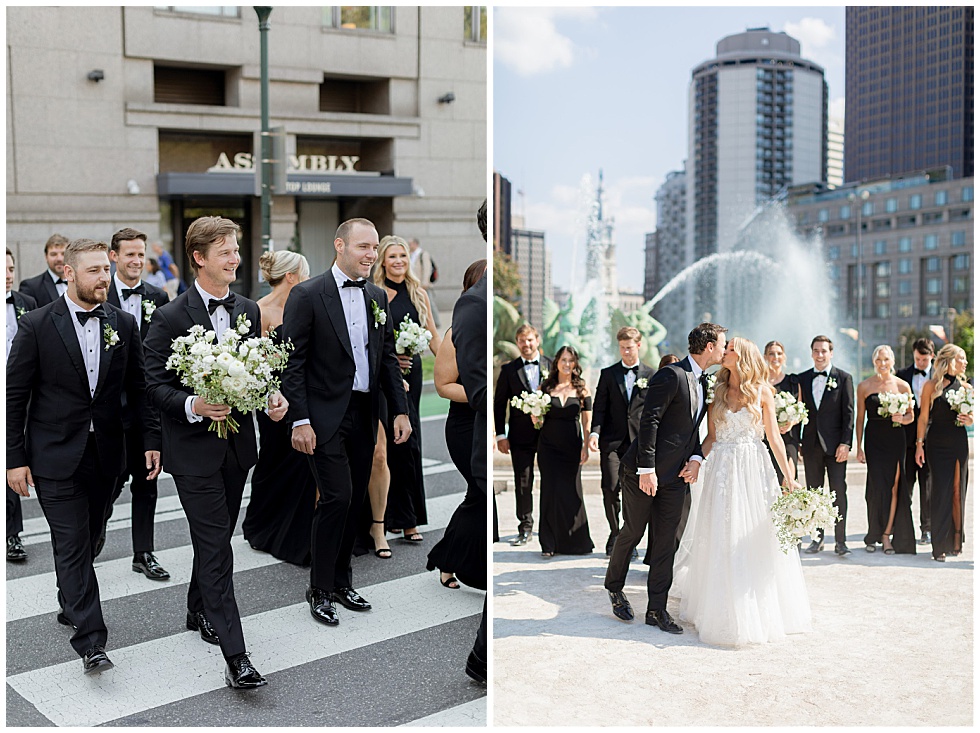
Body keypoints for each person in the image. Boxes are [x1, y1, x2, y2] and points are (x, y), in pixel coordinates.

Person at [145, 216, 287, 689]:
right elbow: (153, 385)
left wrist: (273, 395)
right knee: (216, 549)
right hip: (192, 454)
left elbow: (257, 371)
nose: (236, 259)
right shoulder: (168, 317)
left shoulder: (247, 308)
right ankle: (237, 655)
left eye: (236, 251)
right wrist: (193, 404)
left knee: (217, 540)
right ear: (200, 258)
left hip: (238, 449)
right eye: (225, 252)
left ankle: (195, 609)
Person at [7, 237, 159, 675]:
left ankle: (69, 596)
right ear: (69, 273)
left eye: (106, 270)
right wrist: (14, 459)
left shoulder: (124, 325)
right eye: (94, 271)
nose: (104, 278)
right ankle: (91, 640)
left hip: (108, 454)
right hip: (54, 455)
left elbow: (139, 389)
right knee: (72, 542)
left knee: (90, 538)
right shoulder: (37, 324)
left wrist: (150, 440)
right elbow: (14, 397)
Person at [281, 217, 410, 629]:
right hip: (321, 416)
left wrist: (401, 409)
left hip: (364, 411)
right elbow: (293, 362)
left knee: (353, 499)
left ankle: (341, 581)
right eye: (363, 247)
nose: (371, 255)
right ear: (340, 246)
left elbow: (386, 357)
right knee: (335, 497)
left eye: (374, 247)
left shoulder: (377, 295)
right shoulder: (306, 294)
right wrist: (300, 419)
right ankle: (319, 589)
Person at [671, 337, 811, 646]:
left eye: (730, 347)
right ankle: (720, 605)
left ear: (742, 355)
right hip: (721, 469)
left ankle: (753, 607)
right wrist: (695, 461)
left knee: (752, 534)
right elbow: (710, 438)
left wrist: (789, 479)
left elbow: (774, 438)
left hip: (752, 469)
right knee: (721, 532)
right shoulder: (717, 392)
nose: (725, 351)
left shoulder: (763, 392)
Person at [604, 322, 726, 632]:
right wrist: (647, 469)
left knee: (667, 543)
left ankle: (656, 610)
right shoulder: (671, 374)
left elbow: (691, 431)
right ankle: (615, 587)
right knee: (633, 532)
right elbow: (650, 420)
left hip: (677, 476)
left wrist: (697, 457)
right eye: (722, 344)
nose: (724, 350)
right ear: (709, 347)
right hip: (643, 473)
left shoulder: (704, 381)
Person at [99, 228, 172, 579]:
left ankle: (143, 553)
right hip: (110, 412)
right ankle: (91, 540)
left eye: (141, 254)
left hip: (148, 410)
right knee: (106, 486)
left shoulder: (158, 296)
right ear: (114, 256)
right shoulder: (98, 294)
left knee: (147, 483)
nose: (137, 260)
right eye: (129, 254)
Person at [241, 250, 315, 566]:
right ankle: (265, 524)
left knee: (305, 463)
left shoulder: (307, 305)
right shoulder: (260, 311)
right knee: (274, 458)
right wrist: (272, 394)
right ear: (291, 276)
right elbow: (254, 363)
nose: (309, 278)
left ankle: (300, 528)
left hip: (305, 394)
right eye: (305, 272)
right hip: (271, 398)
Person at [373, 235, 442, 544]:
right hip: (382, 378)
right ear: (383, 262)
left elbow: (434, 338)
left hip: (411, 376)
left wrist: (456, 367)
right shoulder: (374, 294)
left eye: (403, 255)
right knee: (383, 451)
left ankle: (410, 519)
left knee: (410, 446)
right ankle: (383, 518)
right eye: (392, 256)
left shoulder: (419, 294)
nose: (399, 260)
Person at [427, 258, 488, 590]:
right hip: (465, 426)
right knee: (478, 496)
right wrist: (483, 396)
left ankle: (450, 561)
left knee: (478, 497)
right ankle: (446, 559)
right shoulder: (456, 332)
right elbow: (442, 385)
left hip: (482, 423)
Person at [449, 199, 488, 685]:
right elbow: (476, 385)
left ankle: (481, 661)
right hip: (479, 437)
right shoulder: (474, 302)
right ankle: (482, 663)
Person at [589, 327, 654, 555]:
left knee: (632, 492)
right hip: (612, 443)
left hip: (638, 444)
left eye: (629, 347)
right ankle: (614, 532)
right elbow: (599, 407)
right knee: (610, 487)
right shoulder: (608, 374)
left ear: (639, 345)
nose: (626, 351)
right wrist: (594, 433)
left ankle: (628, 539)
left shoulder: (652, 374)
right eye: (622, 347)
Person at [493, 324, 553, 546]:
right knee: (523, 482)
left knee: (549, 480)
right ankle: (525, 527)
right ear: (517, 343)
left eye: (529, 340)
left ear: (537, 340)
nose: (526, 345)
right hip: (519, 436)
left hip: (548, 435)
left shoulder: (551, 366)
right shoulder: (509, 370)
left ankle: (549, 526)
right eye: (521, 341)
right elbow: (499, 404)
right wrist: (500, 434)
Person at [856, 345, 916, 554]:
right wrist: (859, 447)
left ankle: (886, 535)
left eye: (886, 360)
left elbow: (911, 416)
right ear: (874, 362)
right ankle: (873, 533)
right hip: (873, 441)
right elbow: (860, 418)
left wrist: (903, 418)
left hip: (895, 440)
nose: (882, 364)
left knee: (894, 487)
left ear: (892, 361)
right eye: (879, 360)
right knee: (875, 488)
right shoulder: (864, 386)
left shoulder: (903, 386)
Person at [798, 335, 854, 556]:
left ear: (831, 353)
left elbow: (849, 414)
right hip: (811, 446)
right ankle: (817, 538)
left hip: (836, 448)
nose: (820, 355)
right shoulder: (802, 379)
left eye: (824, 351)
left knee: (838, 492)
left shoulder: (844, 378)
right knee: (814, 494)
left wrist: (846, 443)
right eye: (816, 351)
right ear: (811, 353)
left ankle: (841, 541)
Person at [915, 344, 972, 562]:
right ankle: (938, 545)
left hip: (958, 442)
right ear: (948, 360)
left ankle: (955, 541)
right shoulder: (931, 386)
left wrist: (971, 419)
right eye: (961, 358)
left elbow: (974, 415)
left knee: (958, 492)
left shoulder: (966, 388)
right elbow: (922, 419)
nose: (965, 362)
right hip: (936, 444)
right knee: (940, 492)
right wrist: (919, 445)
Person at [538, 345, 594, 557]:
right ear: (557, 362)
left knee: (572, 492)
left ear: (575, 363)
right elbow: (539, 419)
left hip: (572, 447)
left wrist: (586, 445)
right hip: (548, 448)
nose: (567, 364)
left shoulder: (582, 389)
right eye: (563, 360)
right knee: (549, 492)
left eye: (571, 360)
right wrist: (535, 417)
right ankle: (548, 543)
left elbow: (587, 421)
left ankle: (575, 542)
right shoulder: (545, 387)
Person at [5, 248, 38, 562]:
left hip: (17, 396)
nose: (9, 274)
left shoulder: (26, 304)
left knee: (11, 458)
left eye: (11, 268)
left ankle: (12, 534)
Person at [897, 338, 935, 545]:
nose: (920, 363)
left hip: (932, 439)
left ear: (932, 356)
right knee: (906, 484)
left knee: (927, 485)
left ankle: (926, 529)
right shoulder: (902, 375)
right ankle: (904, 529)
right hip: (907, 439)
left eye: (924, 359)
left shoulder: (939, 376)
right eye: (917, 359)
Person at [764, 340, 802, 484]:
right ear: (765, 357)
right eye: (771, 354)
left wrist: (790, 423)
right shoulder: (759, 382)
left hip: (788, 437)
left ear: (784, 356)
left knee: (788, 481)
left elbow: (800, 409)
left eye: (779, 353)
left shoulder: (793, 381)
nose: (775, 357)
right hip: (765, 438)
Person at [19, 233, 69, 306]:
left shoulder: (79, 283)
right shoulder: (30, 287)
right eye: (53, 254)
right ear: (46, 257)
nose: (59, 259)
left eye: (63, 254)